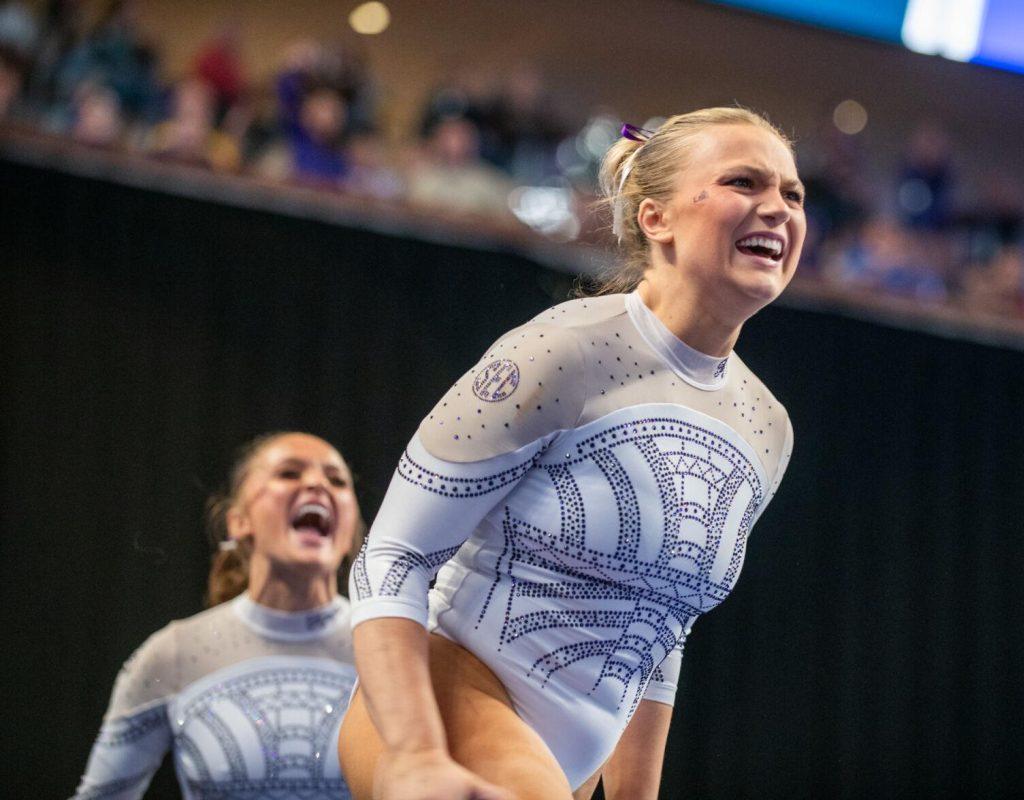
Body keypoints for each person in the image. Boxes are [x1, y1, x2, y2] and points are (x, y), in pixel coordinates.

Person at [340, 107, 801, 800]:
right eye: (745, 182)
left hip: (564, 763)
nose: (778, 209)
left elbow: (662, 625)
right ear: (656, 219)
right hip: (445, 700)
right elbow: (392, 556)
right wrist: (413, 752)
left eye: (794, 195)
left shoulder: (766, 428)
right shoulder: (567, 351)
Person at [72, 432, 363, 800]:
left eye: (337, 481)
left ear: (352, 526)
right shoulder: (176, 653)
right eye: (289, 473)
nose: (318, 485)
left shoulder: (398, 648)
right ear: (238, 521)